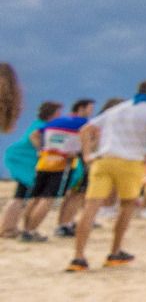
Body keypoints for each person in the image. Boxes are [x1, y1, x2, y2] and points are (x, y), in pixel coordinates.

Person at [67, 81, 146, 271]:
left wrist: (87, 155)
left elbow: (85, 130)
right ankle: (115, 251)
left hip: (104, 160)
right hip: (131, 161)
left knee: (91, 207)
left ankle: (78, 257)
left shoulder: (117, 109)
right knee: (127, 206)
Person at [19, 97, 95, 242]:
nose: (91, 112)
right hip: (61, 165)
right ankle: (32, 231)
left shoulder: (56, 122)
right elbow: (92, 138)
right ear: (81, 109)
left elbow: (33, 134)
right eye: (90, 109)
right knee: (48, 199)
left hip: (44, 162)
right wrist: (80, 152)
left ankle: (26, 230)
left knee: (35, 198)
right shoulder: (83, 123)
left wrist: (42, 149)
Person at [3, 99, 58, 239]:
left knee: (20, 196)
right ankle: (7, 229)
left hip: (20, 159)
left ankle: (8, 227)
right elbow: (34, 136)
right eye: (58, 113)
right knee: (20, 196)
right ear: (51, 114)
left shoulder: (38, 124)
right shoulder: (42, 126)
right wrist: (42, 151)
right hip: (24, 162)